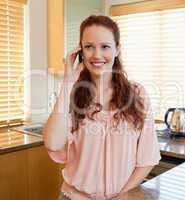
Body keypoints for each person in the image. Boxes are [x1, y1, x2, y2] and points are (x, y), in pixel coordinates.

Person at [43, 15, 161, 200]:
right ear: (80, 52)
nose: (97, 55)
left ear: (117, 50)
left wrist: (123, 194)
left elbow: (147, 158)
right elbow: (52, 143)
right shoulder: (71, 94)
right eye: (89, 47)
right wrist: (67, 82)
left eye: (105, 46)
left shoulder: (137, 94)